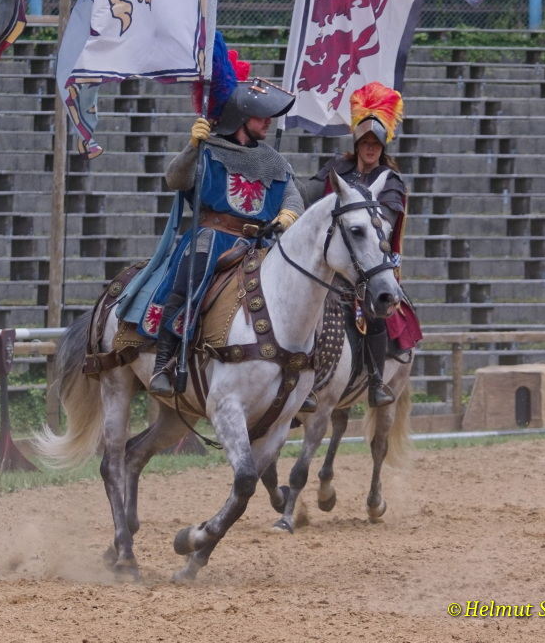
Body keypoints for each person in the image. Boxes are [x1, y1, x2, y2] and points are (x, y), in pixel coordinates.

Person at [118, 33, 304, 399]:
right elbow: (175, 179)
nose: (267, 122)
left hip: (259, 243)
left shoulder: (274, 161)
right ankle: (166, 360)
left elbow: (292, 196)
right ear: (240, 117)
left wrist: (288, 215)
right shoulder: (208, 150)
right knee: (188, 283)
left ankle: (298, 369)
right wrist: (192, 147)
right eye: (261, 116)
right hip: (212, 238)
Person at [305, 82, 422, 407]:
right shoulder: (337, 168)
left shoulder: (390, 181)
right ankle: (299, 378)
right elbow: (308, 194)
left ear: (383, 147)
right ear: (357, 144)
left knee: (375, 312)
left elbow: (385, 220)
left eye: (376, 144)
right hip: (329, 258)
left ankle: (375, 381)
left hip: (367, 264)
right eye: (365, 143)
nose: (370, 149)